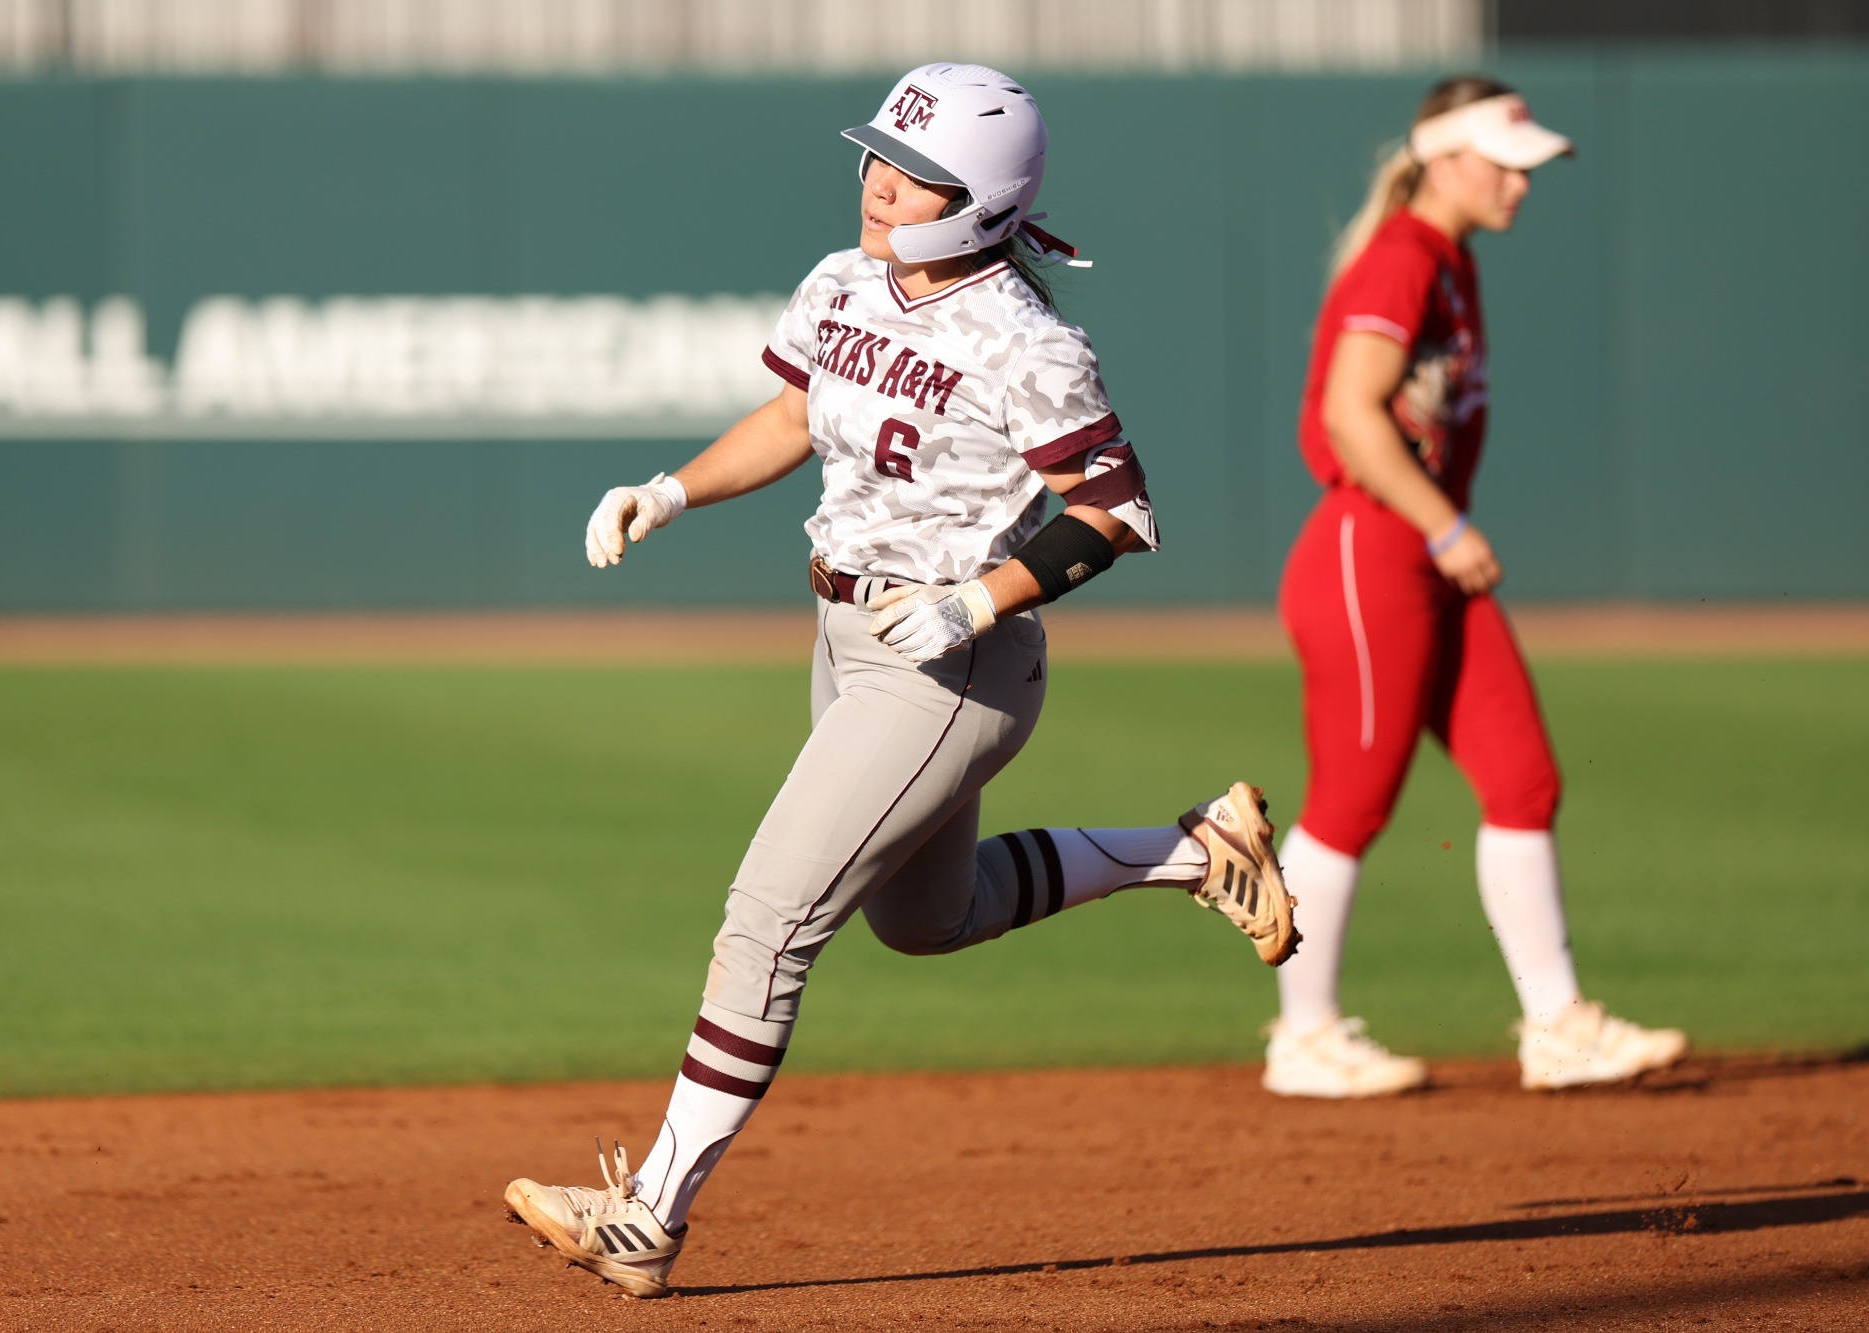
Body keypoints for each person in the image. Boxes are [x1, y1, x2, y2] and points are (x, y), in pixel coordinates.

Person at [501, 62, 1299, 1298]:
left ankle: (648, 1215)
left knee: (767, 920)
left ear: (981, 201)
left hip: (950, 664)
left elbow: (1116, 511)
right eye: (877, 156)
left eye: (915, 172)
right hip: (844, 634)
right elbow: (789, 418)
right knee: (927, 920)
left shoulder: (1025, 341)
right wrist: (668, 490)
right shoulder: (840, 279)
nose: (879, 183)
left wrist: (979, 600)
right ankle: (1194, 850)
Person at [1264, 76, 1687, 1099]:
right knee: (1351, 802)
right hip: (1371, 553)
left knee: (1522, 779)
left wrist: (1441, 535)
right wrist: (1444, 524)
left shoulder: (1448, 259)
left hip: (1421, 554)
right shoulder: (1404, 256)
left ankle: (1557, 1027)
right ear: (1443, 159)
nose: (1520, 184)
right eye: (1505, 165)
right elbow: (1350, 415)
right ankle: (1303, 1035)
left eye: (1526, 168)